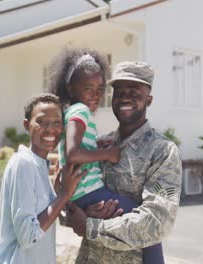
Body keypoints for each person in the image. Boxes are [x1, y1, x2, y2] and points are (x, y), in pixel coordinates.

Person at [49, 48, 165, 263]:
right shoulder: (91, 127)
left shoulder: (163, 152)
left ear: (149, 99)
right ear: (71, 88)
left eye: (135, 92)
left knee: (145, 227)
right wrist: (71, 210)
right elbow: (72, 160)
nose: (125, 97)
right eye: (119, 92)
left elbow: (156, 224)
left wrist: (91, 224)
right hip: (90, 255)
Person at [0, 94, 87, 264]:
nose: (50, 129)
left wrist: (56, 193)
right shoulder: (23, 163)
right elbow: (28, 236)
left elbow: (44, 220)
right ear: (27, 124)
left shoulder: (40, 167)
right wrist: (63, 195)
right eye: (42, 122)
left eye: (57, 123)